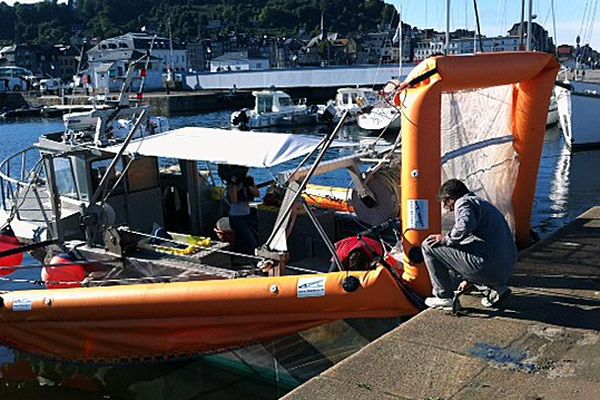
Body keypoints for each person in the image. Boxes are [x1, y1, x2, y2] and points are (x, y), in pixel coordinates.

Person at [421, 179, 516, 309]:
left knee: (429, 245)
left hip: (486, 266)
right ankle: (496, 289)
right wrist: (469, 279)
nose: (447, 209)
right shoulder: (482, 204)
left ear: (451, 198)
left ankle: (444, 297)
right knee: (461, 247)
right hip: (505, 269)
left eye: (446, 203)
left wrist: (445, 239)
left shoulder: (463, 202)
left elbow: (464, 226)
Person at [225, 166, 260, 255]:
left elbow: (257, 194)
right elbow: (234, 200)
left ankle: (248, 257)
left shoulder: (248, 180)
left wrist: (249, 186)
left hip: (247, 214)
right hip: (237, 216)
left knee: (252, 238)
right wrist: (235, 185)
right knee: (249, 240)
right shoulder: (232, 184)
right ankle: (250, 258)